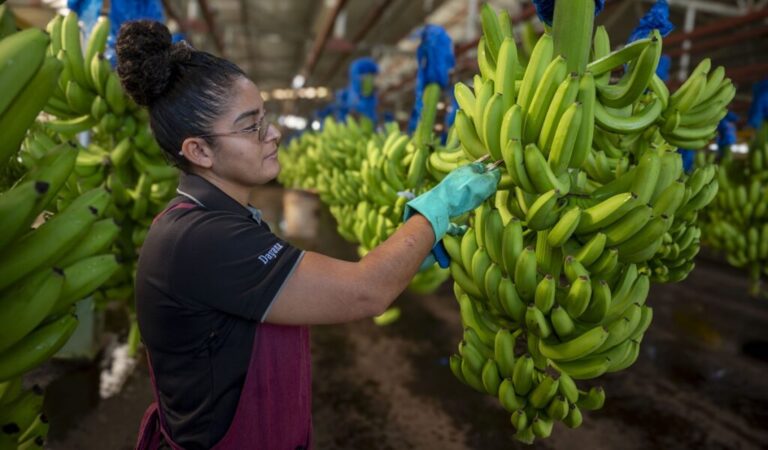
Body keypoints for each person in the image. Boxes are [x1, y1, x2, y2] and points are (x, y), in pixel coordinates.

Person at [117, 20, 499, 450]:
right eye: (251, 127)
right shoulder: (201, 239)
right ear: (199, 151)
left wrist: (414, 251)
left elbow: (325, 284)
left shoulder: (218, 221)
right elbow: (366, 292)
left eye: (266, 118)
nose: (274, 134)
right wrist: (437, 210)